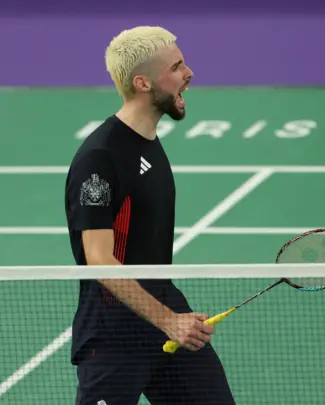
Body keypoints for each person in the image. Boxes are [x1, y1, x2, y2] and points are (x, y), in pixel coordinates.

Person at [64, 26, 235, 405]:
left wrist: (173, 316)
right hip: (115, 333)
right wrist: (168, 320)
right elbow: (99, 260)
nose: (188, 73)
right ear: (143, 83)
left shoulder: (149, 144)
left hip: (164, 313)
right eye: (176, 67)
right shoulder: (101, 158)